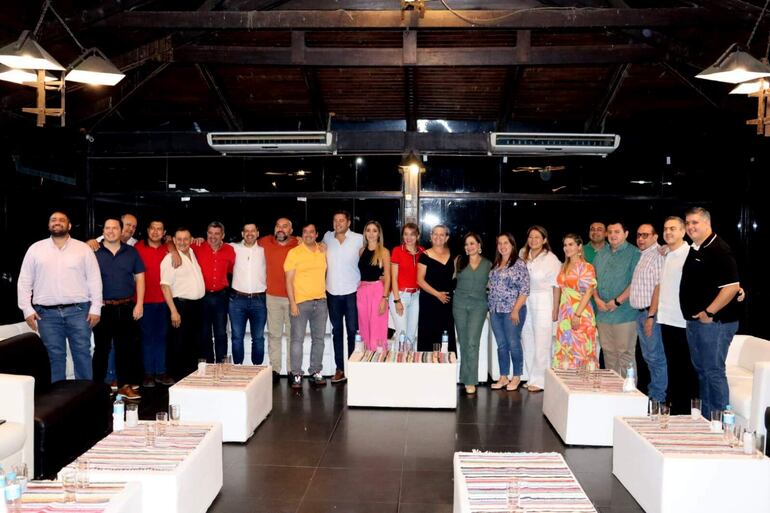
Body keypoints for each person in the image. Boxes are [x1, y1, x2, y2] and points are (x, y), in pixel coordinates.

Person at [17, 211, 102, 382]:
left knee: (82, 354)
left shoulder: (83, 249)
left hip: (79, 312)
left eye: (62, 220)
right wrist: (27, 309)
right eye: (53, 220)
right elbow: (24, 281)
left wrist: (96, 308)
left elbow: (94, 279)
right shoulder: (35, 249)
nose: (57, 222)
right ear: (49, 225)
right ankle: (58, 396)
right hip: (46, 315)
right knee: (54, 356)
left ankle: (84, 394)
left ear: (69, 226)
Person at [680, 207, 741, 418]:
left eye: (695, 222)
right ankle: (707, 421)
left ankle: (722, 424)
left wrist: (709, 312)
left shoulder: (719, 249)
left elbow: (732, 287)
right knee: (703, 372)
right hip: (696, 323)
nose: (690, 227)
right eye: (687, 223)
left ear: (707, 223)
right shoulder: (696, 247)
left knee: (713, 372)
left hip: (715, 324)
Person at [92, 218, 145, 398]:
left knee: (125, 349)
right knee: (101, 349)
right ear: (103, 231)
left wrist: (139, 304)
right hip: (102, 308)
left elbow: (140, 278)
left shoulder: (131, 252)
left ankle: (124, 386)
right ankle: (98, 387)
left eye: (115, 228)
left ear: (121, 230)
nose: (111, 231)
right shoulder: (93, 251)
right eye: (107, 228)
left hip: (126, 306)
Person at [655, 216, 698, 414]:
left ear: (683, 231)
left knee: (685, 369)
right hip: (666, 319)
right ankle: (674, 407)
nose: (668, 232)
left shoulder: (691, 252)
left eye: (673, 228)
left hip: (683, 321)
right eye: (665, 228)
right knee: (672, 366)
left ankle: (685, 412)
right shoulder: (667, 254)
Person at [592, 222, 641, 376]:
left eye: (617, 231)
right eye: (610, 231)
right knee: (608, 354)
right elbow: (592, 280)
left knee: (625, 355)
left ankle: (628, 389)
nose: (613, 235)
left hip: (624, 313)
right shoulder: (601, 253)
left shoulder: (635, 253)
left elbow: (636, 282)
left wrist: (617, 301)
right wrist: (597, 299)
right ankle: (613, 388)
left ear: (626, 234)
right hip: (603, 313)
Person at [285, 223, 329, 389]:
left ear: (316, 234)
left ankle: (315, 371)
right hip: (301, 303)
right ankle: (296, 373)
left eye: (311, 232)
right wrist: (292, 303)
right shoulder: (294, 253)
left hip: (321, 302)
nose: (308, 235)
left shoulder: (322, 251)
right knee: (297, 340)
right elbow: (288, 281)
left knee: (319, 340)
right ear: (301, 234)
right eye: (305, 232)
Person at [322, 211, 364, 383]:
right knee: (337, 331)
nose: (338, 223)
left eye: (341, 220)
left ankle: (353, 367)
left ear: (348, 222)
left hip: (352, 292)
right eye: (335, 220)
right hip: (332, 292)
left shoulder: (359, 239)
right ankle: (340, 368)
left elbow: (371, 257)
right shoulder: (327, 237)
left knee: (353, 331)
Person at [519, 225, 561, 392]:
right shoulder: (523, 254)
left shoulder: (551, 259)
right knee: (527, 338)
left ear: (544, 240)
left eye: (537, 237)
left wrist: (555, 309)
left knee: (542, 341)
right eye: (531, 237)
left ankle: (542, 380)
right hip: (525, 300)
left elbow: (557, 286)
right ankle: (532, 377)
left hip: (544, 300)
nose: (533, 240)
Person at [160, 228, 205, 381]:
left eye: (186, 239)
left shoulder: (192, 252)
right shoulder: (170, 259)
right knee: (178, 343)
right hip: (180, 306)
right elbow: (165, 286)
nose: (182, 242)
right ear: (174, 240)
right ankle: (178, 379)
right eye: (179, 239)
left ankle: (190, 378)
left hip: (196, 306)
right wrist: (173, 311)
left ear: (191, 239)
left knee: (193, 343)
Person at [134, 219, 175, 387]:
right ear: (147, 230)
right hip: (144, 301)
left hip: (165, 301)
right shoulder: (137, 248)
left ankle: (161, 372)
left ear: (164, 233)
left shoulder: (169, 248)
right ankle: (148, 373)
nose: (155, 232)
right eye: (152, 228)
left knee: (162, 338)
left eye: (159, 229)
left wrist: (172, 244)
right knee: (147, 338)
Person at [629, 223, 667, 403]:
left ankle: (658, 399)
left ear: (655, 237)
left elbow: (660, 286)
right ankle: (654, 395)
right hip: (641, 314)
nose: (640, 239)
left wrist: (651, 315)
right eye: (638, 235)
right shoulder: (643, 255)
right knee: (648, 357)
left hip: (651, 314)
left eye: (645, 235)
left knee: (655, 357)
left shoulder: (658, 255)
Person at [488, 232, 529, 391]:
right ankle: (503, 376)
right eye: (500, 243)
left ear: (512, 244)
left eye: (506, 243)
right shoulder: (496, 264)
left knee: (513, 343)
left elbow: (524, 290)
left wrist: (515, 310)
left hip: (512, 311)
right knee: (501, 345)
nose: (502, 246)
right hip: (495, 310)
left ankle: (517, 376)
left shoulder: (519, 264)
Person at [260, 217, 299, 382]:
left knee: (292, 336)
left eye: (285, 226)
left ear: (291, 230)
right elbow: (244, 243)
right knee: (274, 335)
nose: (281, 229)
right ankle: (275, 370)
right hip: (272, 297)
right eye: (278, 226)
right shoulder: (265, 242)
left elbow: (315, 245)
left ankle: (291, 370)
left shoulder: (298, 244)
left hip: (293, 298)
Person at [190, 221, 236, 363]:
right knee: (204, 333)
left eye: (217, 233)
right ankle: (209, 364)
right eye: (210, 233)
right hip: (203, 296)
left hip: (221, 296)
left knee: (221, 332)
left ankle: (221, 364)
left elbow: (230, 269)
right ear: (206, 233)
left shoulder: (229, 250)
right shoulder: (197, 246)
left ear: (223, 235)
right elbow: (173, 242)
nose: (213, 236)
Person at [453, 233, 492, 395]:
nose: (469, 247)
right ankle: (464, 376)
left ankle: (470, 380)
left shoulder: (488, 264)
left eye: (472, 243)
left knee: (472, 341)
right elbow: (448, 279)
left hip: (479, 306)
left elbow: (492, 286)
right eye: (466, 244)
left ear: (479, 245)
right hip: (459, 305)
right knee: (463, 341)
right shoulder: (458, 261)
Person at [553, 234, 598, 369]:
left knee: (580, 348)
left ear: (579, 247)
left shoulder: (586, 267)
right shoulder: (563, 267)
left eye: (571, 244)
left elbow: (589, 292)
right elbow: (560, 288)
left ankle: (583, 380)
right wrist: (557, 310)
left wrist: (577, 315)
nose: (567, 248)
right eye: (565, 245)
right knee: (566, 347)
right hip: (565, 313)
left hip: (581, 312)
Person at [229, 223, 268, 365]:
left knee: (258, 338)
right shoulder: (233, 248)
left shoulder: (264, 250)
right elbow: (214, 243)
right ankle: (238, 368)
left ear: (258, 233)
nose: (249, 233)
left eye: (253, 231)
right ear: (242, 233)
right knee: (236, 337)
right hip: (237, 300)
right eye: (246, 231)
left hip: (259, 300)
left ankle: (257, 370)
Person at [417, 224, 456, 352]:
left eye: (441, 234)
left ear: (446, 238)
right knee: (429, 335)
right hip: (429, 301)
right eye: (435, 234)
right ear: (431, 236)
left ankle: (446, 364)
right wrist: (438, 294)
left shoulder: (452, 254)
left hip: (446, 303)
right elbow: (420, 280)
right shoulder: (424, 255)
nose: (438, 237)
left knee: (445, 336)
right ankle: (428, 364)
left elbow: (454, 277)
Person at [357, 221, 391, 349]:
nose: (371, 233)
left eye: (374, 230)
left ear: (379, 234)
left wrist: (384, 298)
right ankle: (366, 357)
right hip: (362, 292)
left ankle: (378, 358)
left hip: (377, 291)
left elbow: (388, 277)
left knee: (377, 327)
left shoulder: (384, 252)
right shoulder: (361, 251)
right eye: (368, 230)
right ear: (365, 233)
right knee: (364, 327)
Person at [389, 223, 424, 344]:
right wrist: (397, 301)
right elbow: (394, 278)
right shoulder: (397, 250)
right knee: (402, 335)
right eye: (406, 234)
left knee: (411, 336)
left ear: (418, 236)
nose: (409, 237)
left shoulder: (423, 251)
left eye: (412, 234)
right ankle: (399, 356)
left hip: (416, 296)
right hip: (400, 296)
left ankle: (408, 356)